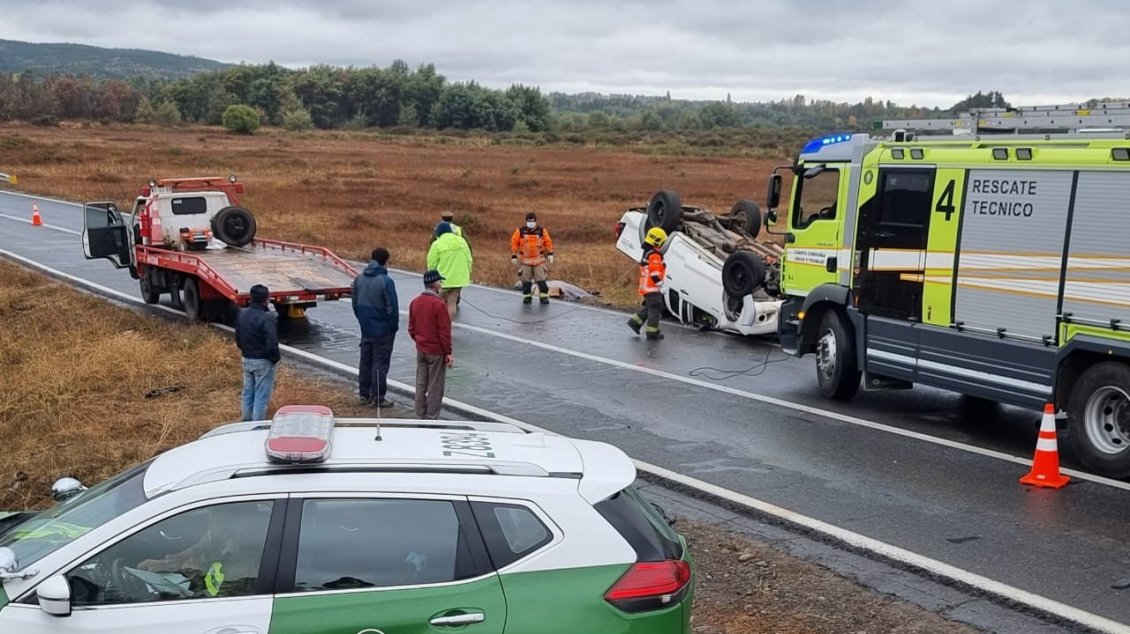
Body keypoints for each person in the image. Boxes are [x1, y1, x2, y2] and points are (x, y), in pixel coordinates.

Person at [352, 247, 399, 407]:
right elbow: (392, 308)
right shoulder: (386, 281)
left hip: (366, 327)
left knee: (366, 360)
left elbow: (355, 304)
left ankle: (363, 394)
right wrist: (392, 327)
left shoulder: (359, 279)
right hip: (383, 330)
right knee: (380, 362)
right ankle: (378, 397)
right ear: (385, 261)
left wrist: (363, 321)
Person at [409, 270, 454, 419]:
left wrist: (420, 341)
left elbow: (411, 329)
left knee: (421, 384)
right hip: (436, 352)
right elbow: (444, 332)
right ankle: (431, 417)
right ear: (435, 284)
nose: (441, 284)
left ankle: (419, 415)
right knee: (435, 386)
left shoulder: (415, 302)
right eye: (439, 282)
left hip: (421, 349)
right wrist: (448, 352)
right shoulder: (440, 305)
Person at [235, 284, 280, 420]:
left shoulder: (242, 314)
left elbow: (238, 338)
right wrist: (273, 359)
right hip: (263, 361)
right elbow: (272, 343)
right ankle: (256, 427)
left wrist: (246, 351)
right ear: (266, 299)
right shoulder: (266, 318)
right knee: (261, 397)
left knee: (248, 393)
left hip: (246, 359)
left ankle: (245, 423)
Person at [628, 227, 668, 340]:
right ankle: (652, 332)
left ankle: (635, 322)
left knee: (651, 305)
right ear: (658, 241)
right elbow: (654, 274)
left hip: (646, 286)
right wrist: (661, 285)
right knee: (656, 306)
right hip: (651, 287)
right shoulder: (654, 255)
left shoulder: (648, 252)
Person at [426, 222, 473, 319]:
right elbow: (469, 260)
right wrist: (467, 273)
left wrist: (431, 278)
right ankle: (447, 326)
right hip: (460, 280)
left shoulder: (437, 244)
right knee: (452, 304)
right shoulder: (462, 241)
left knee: (436, 304)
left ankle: (435, 325)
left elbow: (431, 263)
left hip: (443, 281)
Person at [510, 211, 554, 304]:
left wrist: (550, 253)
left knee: (541, 279)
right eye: (529, 221)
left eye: (532, 221)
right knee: (525, 280)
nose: (531, 223)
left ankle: (544, 296)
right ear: (526, 222)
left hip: (539, 260)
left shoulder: (542, 231)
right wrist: (514, 255)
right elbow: (514, 243)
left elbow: (548, 242)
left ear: (535, 221)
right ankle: (527, 296)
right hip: (525, 261)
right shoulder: (520, 231)